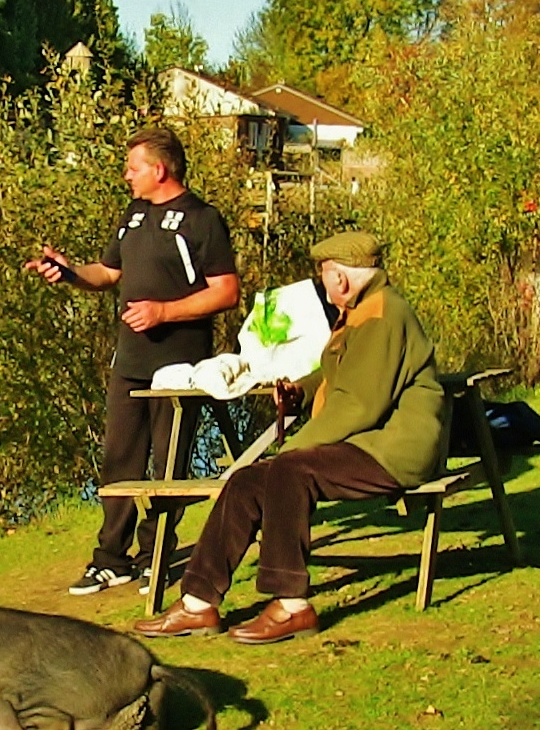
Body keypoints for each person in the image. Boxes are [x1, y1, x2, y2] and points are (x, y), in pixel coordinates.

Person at [133, 230, 442, 644]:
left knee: (290, 469)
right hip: (368, 441)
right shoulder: (364, 310)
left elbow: (358, 405)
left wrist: (293, 448)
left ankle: (291, 604)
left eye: (325, 274)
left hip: (394, 448)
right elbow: (340, 372)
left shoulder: (382, 316)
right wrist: (303, 388)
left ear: (341, 279)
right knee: (246, 480)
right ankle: (197, 602)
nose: (324, 284)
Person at [24, 126, 240, 596]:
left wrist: (165, 312)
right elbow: (108, 273)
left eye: (133, 167)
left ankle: (155, 556)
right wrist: (68, 273)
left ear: (159, 170)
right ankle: (110, 559)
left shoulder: (201, 220)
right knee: (119, 458)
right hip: (130, 361)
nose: (127, 176)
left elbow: (226, 291)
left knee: (168, 466)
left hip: (180, 366)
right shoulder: (134, 215)